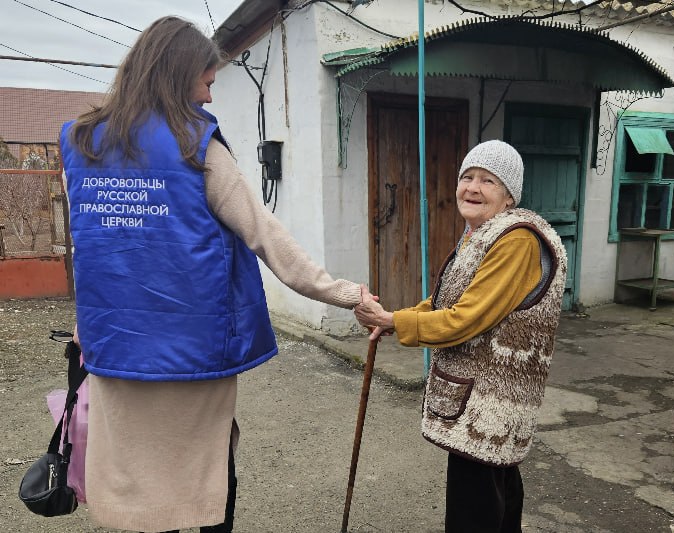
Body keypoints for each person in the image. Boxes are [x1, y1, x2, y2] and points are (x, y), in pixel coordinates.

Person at [60, 16, 361, 533]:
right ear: (179, 74)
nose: (209, 96)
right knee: (206, 467)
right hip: (193, 348)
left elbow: (90, 246)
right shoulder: (194, 144)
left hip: (115, 345)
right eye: (206, 82)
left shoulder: (82, 142)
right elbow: (264, 233)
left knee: (136, 475)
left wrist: (85, 325)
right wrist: (344, 293)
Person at [354, 140, 567, 533]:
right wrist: (394, 320)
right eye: (467, 177)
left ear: (509, 197)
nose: (472, 188)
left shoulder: (516, 241)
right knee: (495, 496)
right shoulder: (482, 234)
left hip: (491, 403)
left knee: (476, 511)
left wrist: (394, 319)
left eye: (488, 181)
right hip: (482, 403)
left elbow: (465, 319)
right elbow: (444, 301)